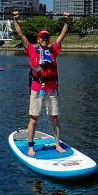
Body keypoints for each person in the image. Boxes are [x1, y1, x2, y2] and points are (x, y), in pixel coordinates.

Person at [12, 10, 70, 157]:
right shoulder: (32, 50)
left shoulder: (53, 50)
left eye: (47, 37)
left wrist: (66, 22)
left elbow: (62, 36)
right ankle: (31, 146)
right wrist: (15, 20)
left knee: (54, 117)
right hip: (37, 87)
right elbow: (21, 35)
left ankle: (57, 144)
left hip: (51, 88)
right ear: (38, 40)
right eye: (42, 37)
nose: (45, 39)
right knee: (34, 118)